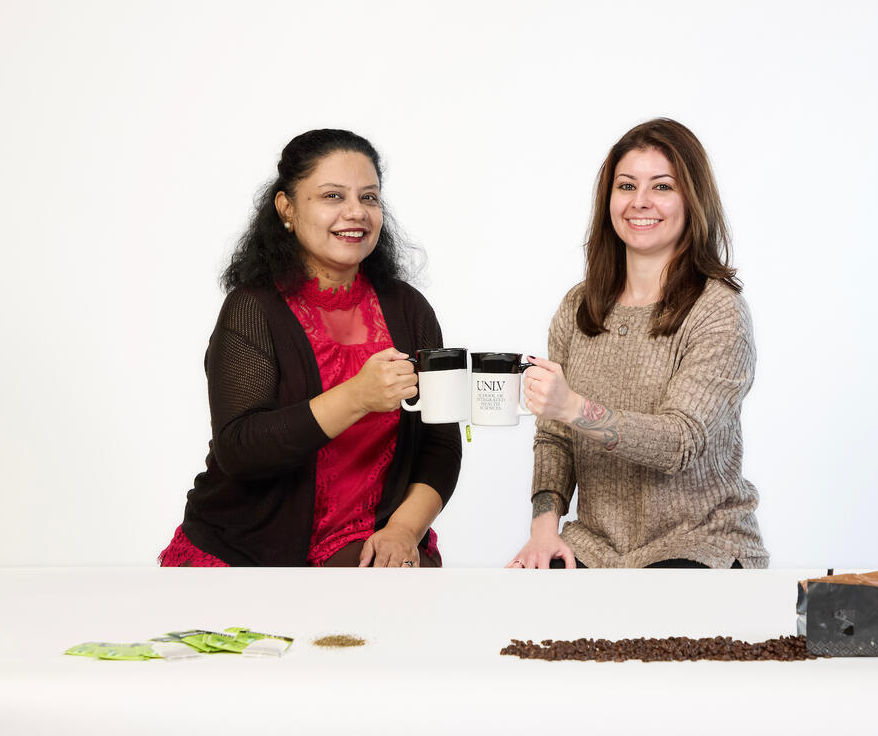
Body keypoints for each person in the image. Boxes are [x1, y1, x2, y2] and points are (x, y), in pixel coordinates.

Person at [159, 129, 461, 568]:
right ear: (287, 208)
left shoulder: (408, 308)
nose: (356, 212)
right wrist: (357, 397)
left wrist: (403, 530)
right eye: (333, 196)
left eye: (370, 197)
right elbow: (240, 449)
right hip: (252, 553)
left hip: (374, 543)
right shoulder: (252, 308)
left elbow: (442, 441)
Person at [507, 118, 768, 569]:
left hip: (699, 543)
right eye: (626, 185)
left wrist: (573, 407)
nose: (640, 202)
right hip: (596, 545)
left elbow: (679, 443)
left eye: (662, 186)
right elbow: (554, 435)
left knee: (652, 625)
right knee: (522, 610)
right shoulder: (578, 306)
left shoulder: (717, 310)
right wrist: (544, 531)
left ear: (692, 199)